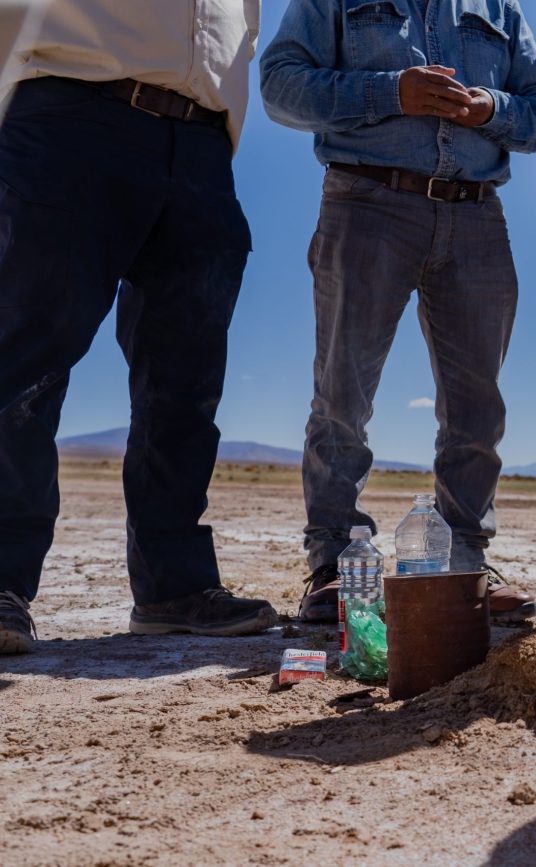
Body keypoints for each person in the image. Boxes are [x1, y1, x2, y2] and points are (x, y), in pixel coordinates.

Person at [260, 0, 536, 624]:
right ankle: (336, 567)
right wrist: (390, 93)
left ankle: (466, 566)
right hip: (365, 202)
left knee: (477, 404)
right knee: (343, 393)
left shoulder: (498, 8)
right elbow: (279, 84)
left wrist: (488, 109)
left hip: (476, 213)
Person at [0, 0, 279, 655]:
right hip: (72, 111)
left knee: (186, 381)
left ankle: (172, 585)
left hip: (203, 147)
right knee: (26, 359)